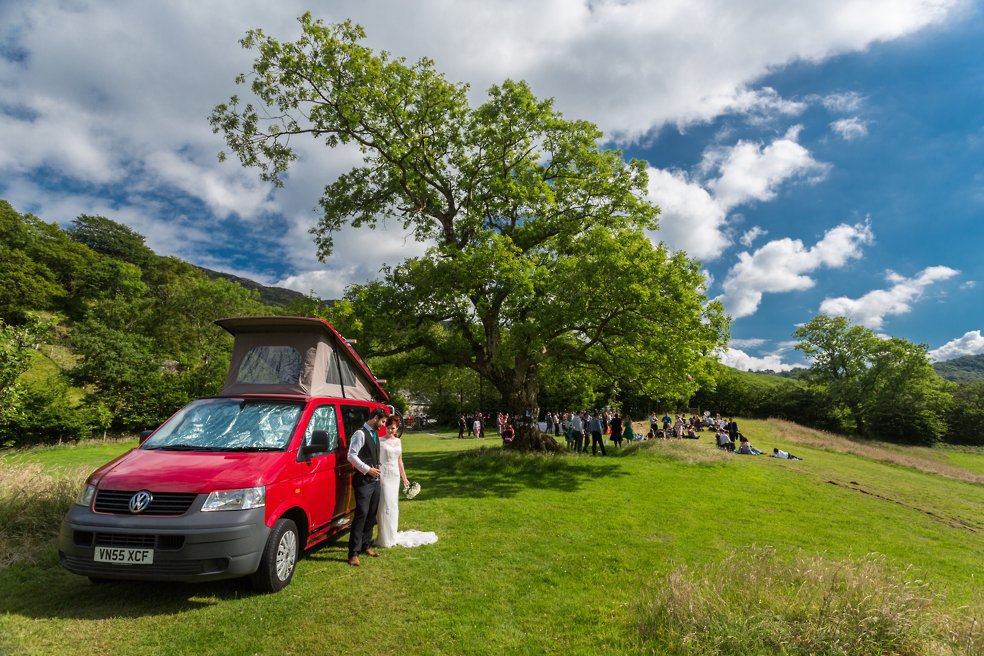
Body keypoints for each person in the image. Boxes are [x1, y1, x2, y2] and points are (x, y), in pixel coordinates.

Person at [374, 416, 439, 550]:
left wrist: (404, 478)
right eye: (388, 428)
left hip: (395, 476)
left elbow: (400, 461)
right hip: (384, 475)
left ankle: (392, 535)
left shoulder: (398, 441)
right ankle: (384, 537)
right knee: (384, 505)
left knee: (393, 505)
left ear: (397, 428)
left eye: (392, 428)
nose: (390, 431)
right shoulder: (380, 441)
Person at [347, 407, 389, 566]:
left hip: (375, 481)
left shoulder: (374, 434)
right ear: (375, 418)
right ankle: (353, 553)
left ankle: (366, 546)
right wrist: (367, 469)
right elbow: (351, 455)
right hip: (363, 481)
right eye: (382, 421)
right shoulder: (360, 434)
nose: (383, 425)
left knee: (371, 514)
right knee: (361, 514)